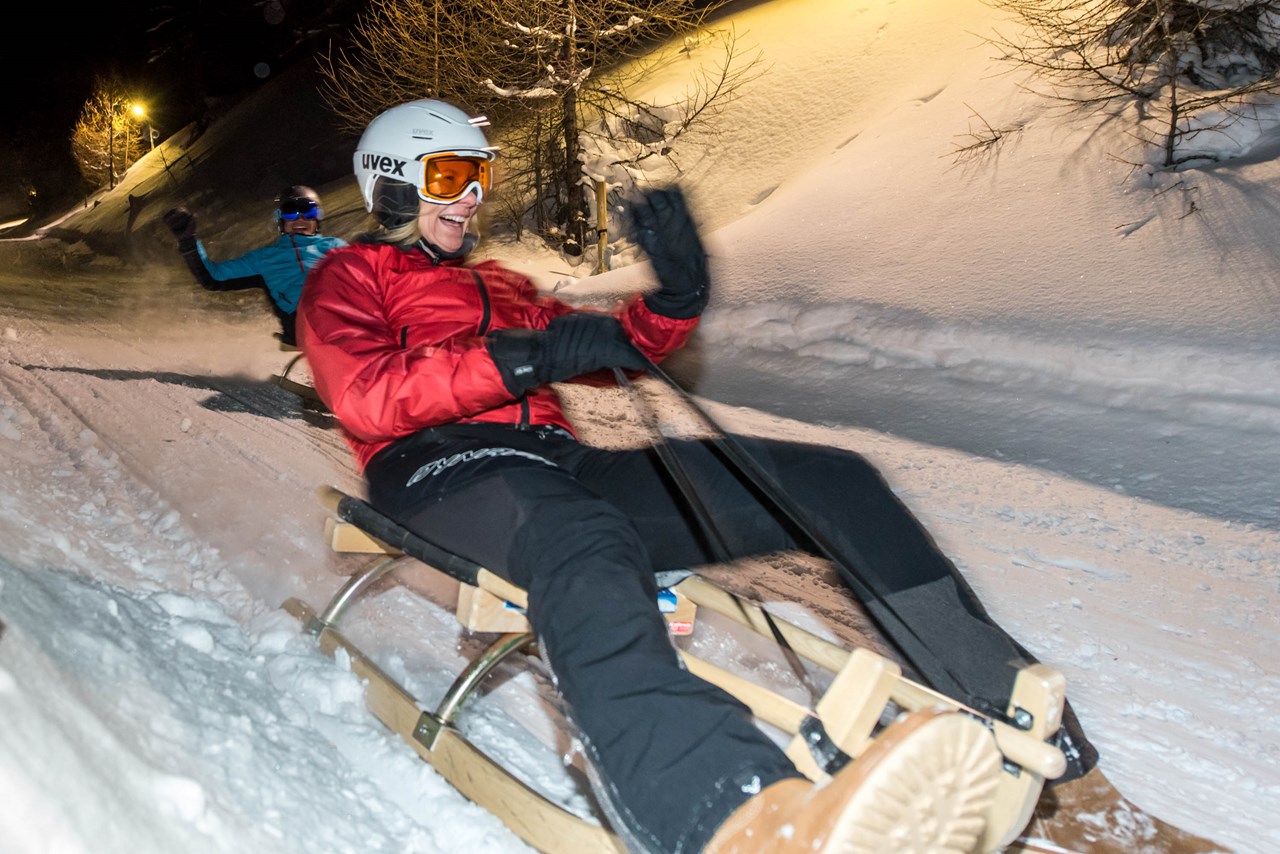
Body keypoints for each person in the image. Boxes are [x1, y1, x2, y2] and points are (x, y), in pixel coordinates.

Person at [298, 99, 1097, 853]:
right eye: (448, 176)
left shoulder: (503, 285)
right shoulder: (349, 279)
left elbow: (617, 349)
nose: (471, 196)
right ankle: (723, 803)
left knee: (828, 484)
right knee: (581, 537)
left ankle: (994, 692)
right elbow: (369, 396)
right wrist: (523, 357)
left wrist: (675, 296)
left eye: (482, 175)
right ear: (391, 180)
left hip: (556, 461)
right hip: (440, 467)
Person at [162, 186, 347, 346]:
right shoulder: (264, 259)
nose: (300, 219)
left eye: (309, 212)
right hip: (302, 322)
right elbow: (212, 277)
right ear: (281, 221)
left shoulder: (336, 246)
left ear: (317, 219)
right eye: (291, 212)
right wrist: (188, 242)